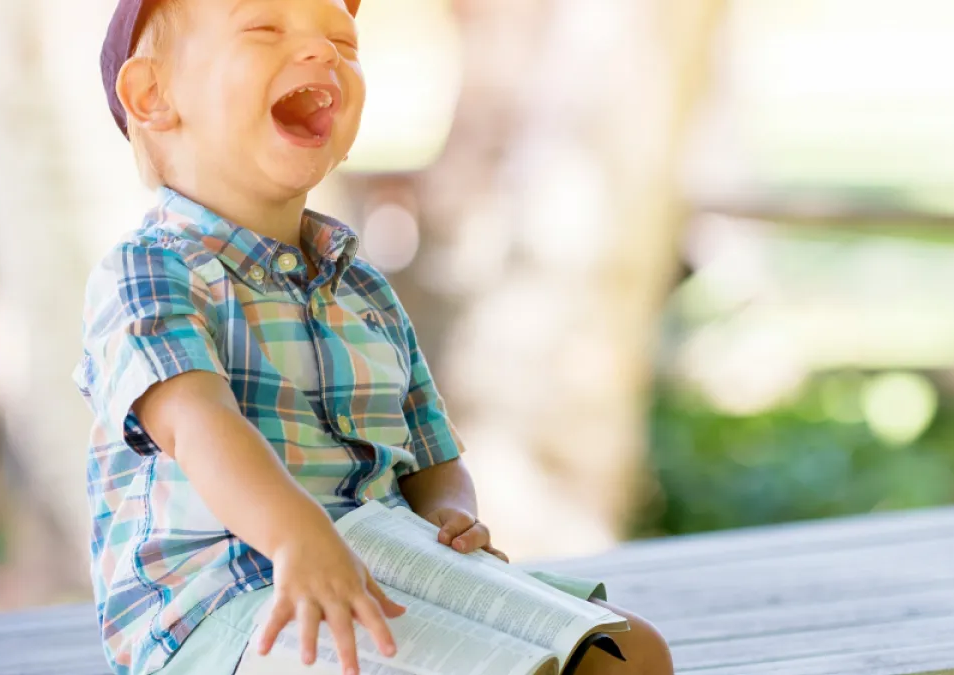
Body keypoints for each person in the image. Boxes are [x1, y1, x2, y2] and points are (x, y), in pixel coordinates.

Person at [75, 0, 674, 673]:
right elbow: (199, 424)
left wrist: (452, 512)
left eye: (341, 39)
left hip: (392, 566)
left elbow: (431, 454)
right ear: (152, 95)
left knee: (631, 654)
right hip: (232, 607)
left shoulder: (363, 290)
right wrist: (296, 535)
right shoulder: (150, 270)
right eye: (265, 28)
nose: (323, 53)